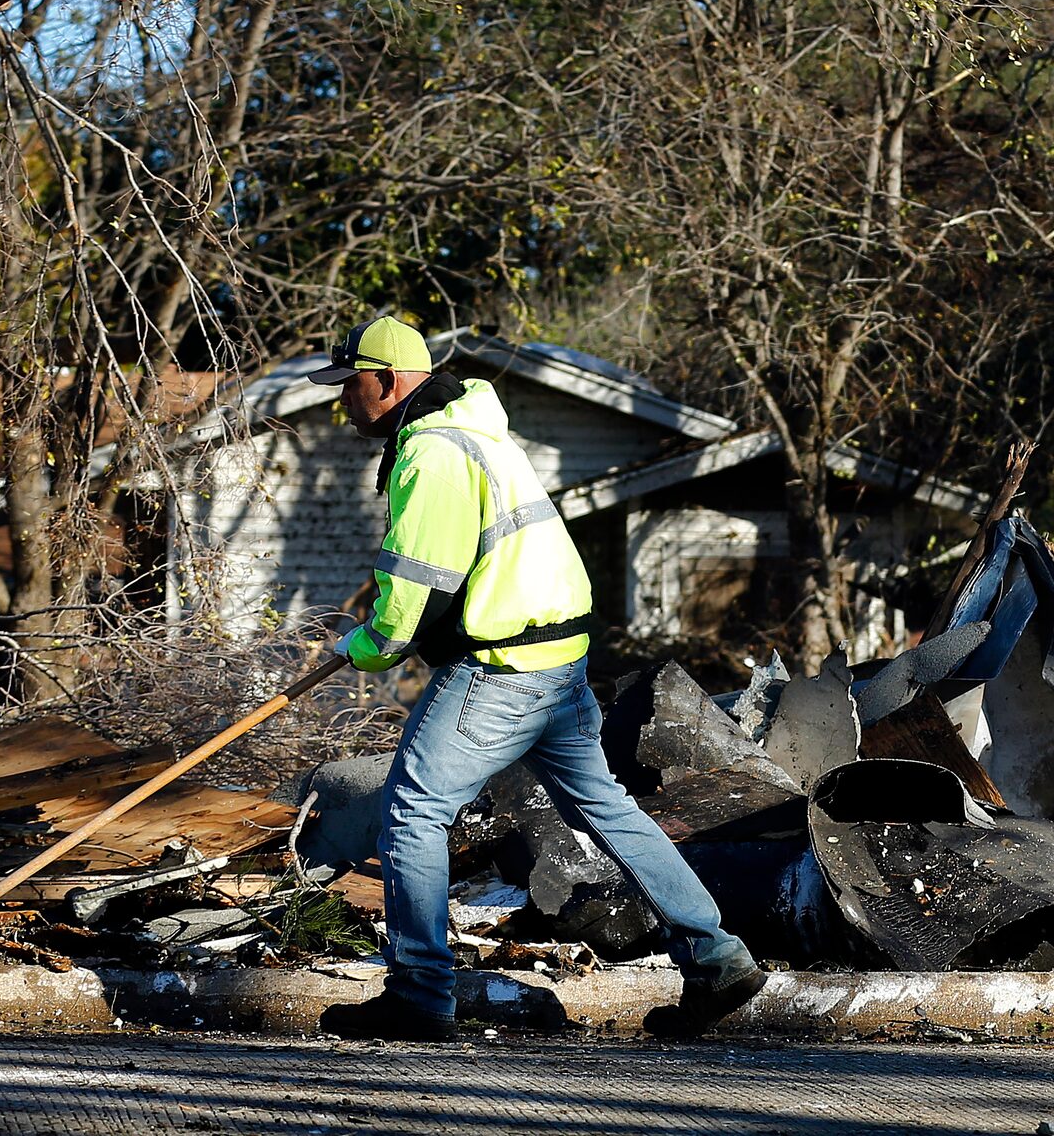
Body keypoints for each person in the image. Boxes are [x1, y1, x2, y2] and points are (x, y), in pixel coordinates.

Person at [309, 314, 767, 1041]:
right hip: (558, 663)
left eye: (349, 386)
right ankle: (715, 958)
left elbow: (415, 587)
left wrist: (369, 645)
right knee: (606, 808)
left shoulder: (429, 451)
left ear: (387, 382)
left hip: (503, 666)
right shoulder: (479, 432)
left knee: (413, 813)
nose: (343, 402)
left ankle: (420, 996)